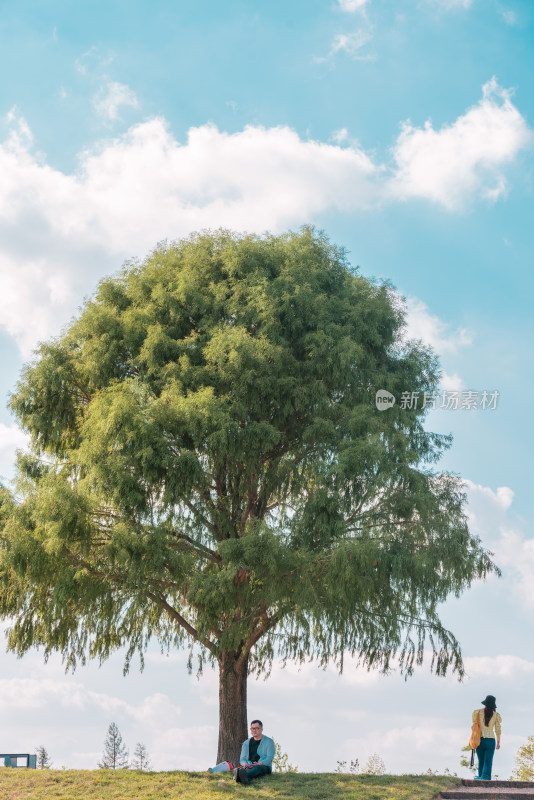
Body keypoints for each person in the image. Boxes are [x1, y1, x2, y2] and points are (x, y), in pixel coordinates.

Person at [233, 719, 275, 785]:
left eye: (257, 728)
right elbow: (242, 759)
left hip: (263, 766)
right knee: (242, 768)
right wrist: (245, 764)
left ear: (261, 729)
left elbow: (270, 758)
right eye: (252, 728)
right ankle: (244, 779)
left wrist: (259, 763)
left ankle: (239, 777)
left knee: (257, 768)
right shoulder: (246, 743)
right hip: (249, 765)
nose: (254, 730)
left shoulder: (269, 742)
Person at [473, 694, 501, 781]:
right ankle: (485, 777)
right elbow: (497, 729)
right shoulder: (496, 715)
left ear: (485, 704)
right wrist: (498, 742)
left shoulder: (477, 713)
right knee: (488, 761)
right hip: (491, 740)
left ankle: (480, 776)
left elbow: (473, 726)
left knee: (481, 760)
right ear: (493, 705)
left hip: (479, 740)